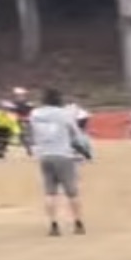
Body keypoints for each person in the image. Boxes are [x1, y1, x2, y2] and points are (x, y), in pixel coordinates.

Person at [29, 87, 92, 236]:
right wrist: (86, 152)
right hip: (63, 154)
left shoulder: (35, 114)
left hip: (44, 155)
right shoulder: (64, 114)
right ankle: (78, 223)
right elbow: (76, 135)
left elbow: (32, 133)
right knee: (72, 192)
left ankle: (53, 225)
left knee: (50, 193)